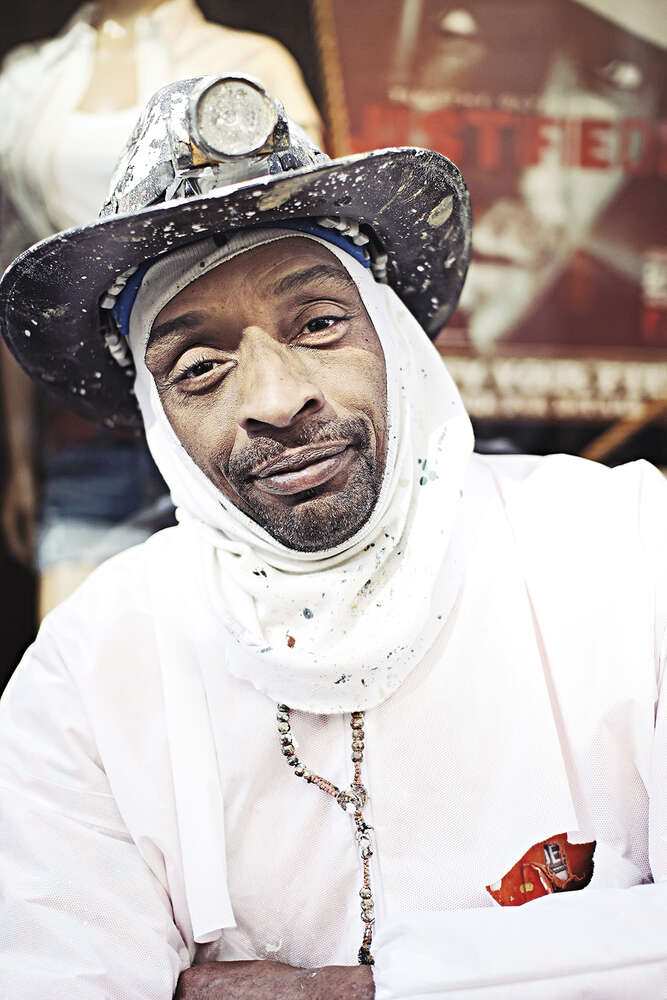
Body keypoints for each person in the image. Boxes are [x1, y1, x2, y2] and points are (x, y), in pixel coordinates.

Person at [0, 74, 665, 1000]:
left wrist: (344, 991)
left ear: (392, 337)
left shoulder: (622, 546)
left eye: (317, 324)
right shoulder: (93, 667)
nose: (276, 400)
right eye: (199, 368)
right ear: (159, 418)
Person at [0, 0, 322, 619]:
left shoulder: (246, 62)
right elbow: (21, 279)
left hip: (230, 402)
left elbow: (304, 245)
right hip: (90, 422)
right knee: (83, 670)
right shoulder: (27, 83)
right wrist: (21, 454)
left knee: (252, 656)